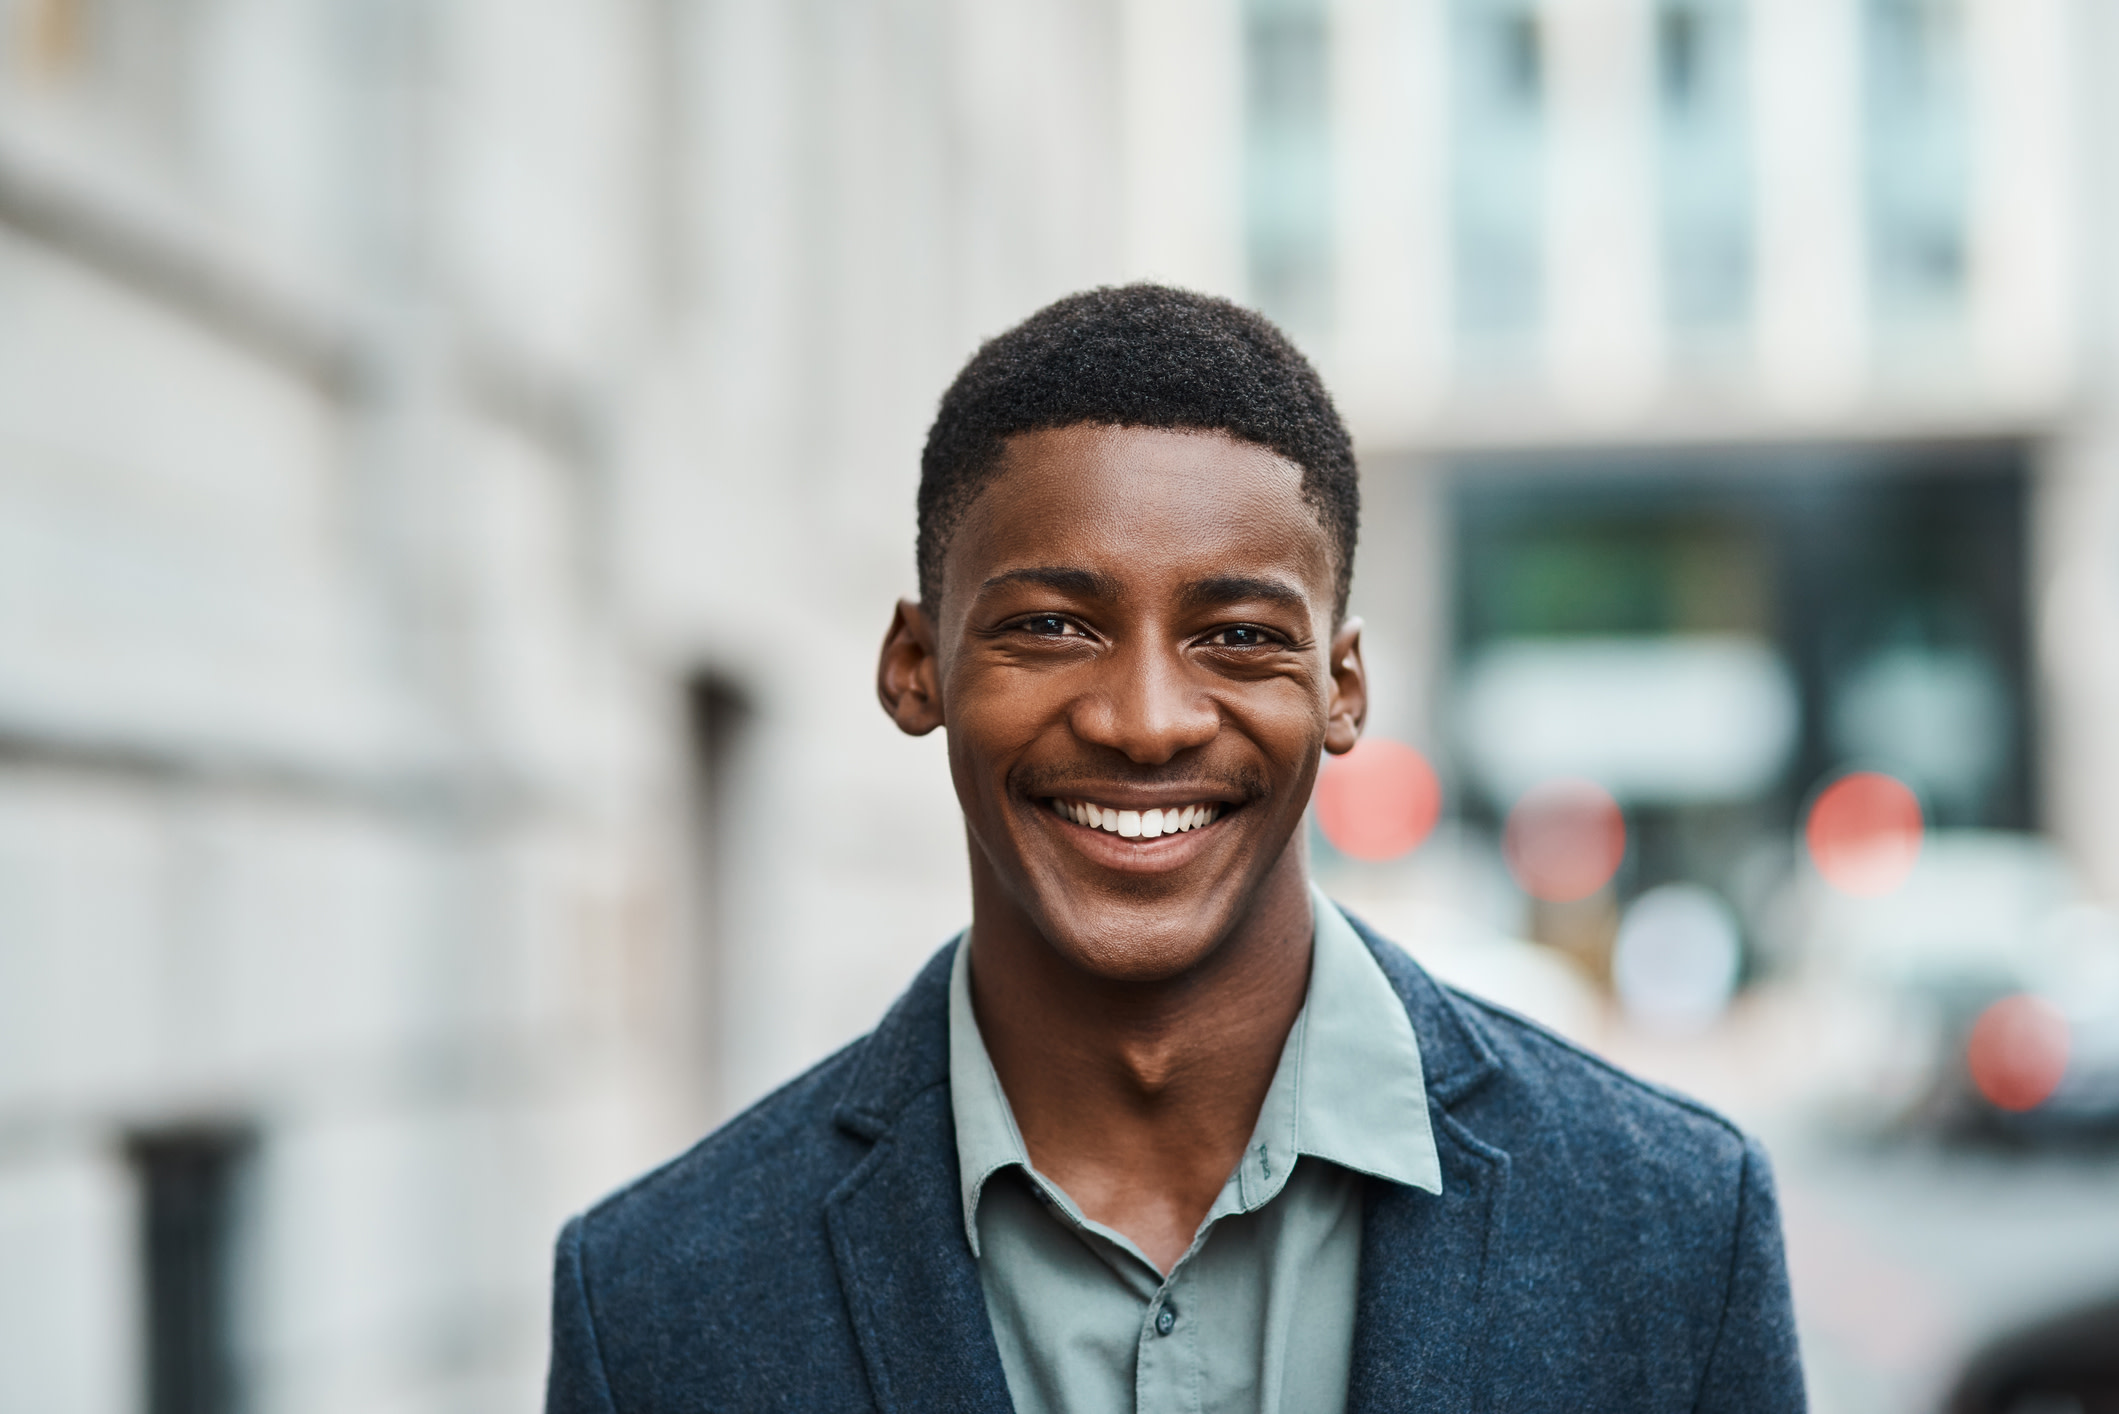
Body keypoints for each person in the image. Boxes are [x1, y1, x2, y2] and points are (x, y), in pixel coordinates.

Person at [544, 285, 1806, 1413]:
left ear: (1343, 686)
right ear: (915, 665)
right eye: (1050, 624)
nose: (1145, 721)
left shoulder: (1676, 1228)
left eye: (1240, 637)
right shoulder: (655, 1298)